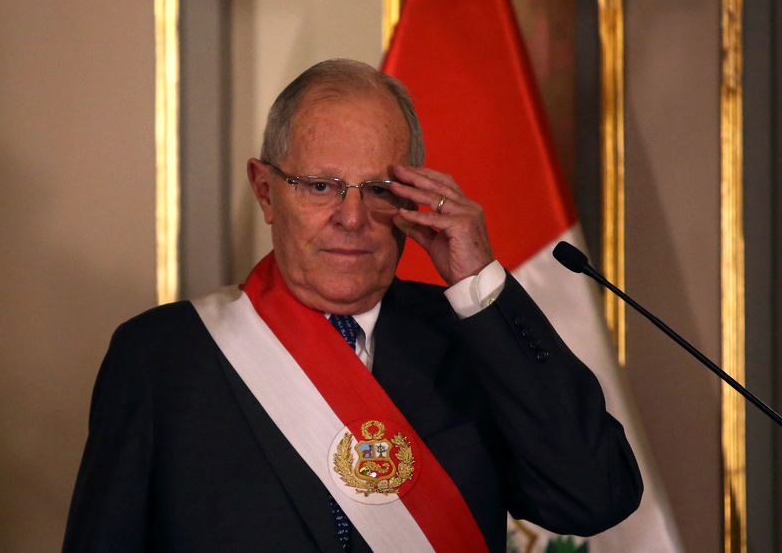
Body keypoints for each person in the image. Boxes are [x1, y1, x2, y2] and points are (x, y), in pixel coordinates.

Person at [64, 59, 642, 552]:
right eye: (320, 185)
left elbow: (595, 497)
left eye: (379, 189)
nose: (352, 217)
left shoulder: (470, 337)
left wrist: (480, 285)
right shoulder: (161, 356)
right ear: (265, 191)